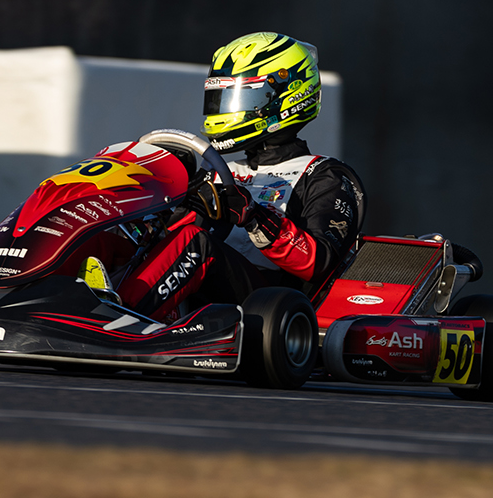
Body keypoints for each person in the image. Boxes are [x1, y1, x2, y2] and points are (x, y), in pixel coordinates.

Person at [99, 32, 367, 322]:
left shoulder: (325, 175)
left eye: (242, 96)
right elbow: (172, 239)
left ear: (285, 97)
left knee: (197, 243)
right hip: (205, 288)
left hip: (270, 309)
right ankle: (68, 302)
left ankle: (116, 318)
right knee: (108, 238)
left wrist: (253, 216)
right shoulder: (221, 171)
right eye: (222, 97)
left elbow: (318, 261)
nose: (227, 107)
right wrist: (161, 212)